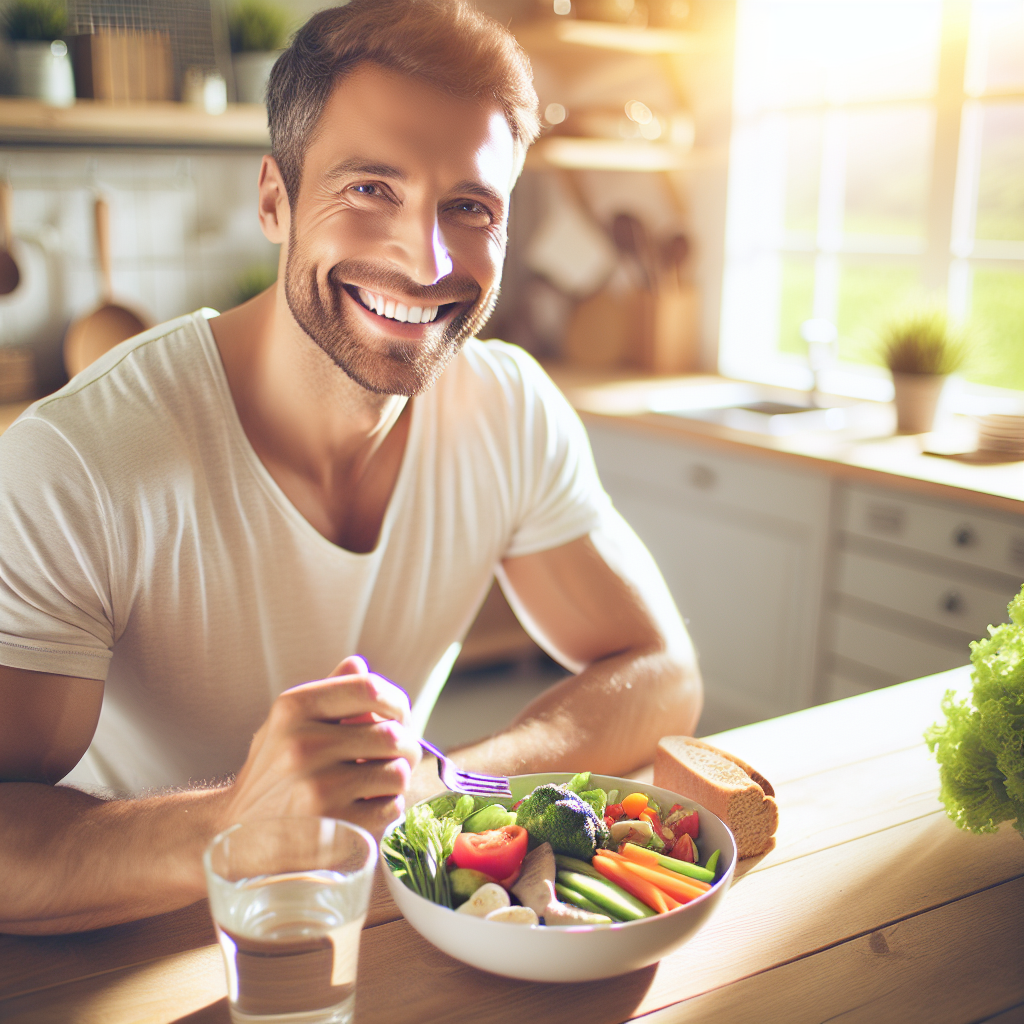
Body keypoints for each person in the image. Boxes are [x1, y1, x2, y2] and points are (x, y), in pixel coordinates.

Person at [0, 0, 701, 935]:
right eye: (370, 189)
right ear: (274, 201)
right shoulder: (77, 461)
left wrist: (447, 783)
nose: (426, 258)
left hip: (377, 925)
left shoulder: (510, 405)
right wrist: (239, 823)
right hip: (126, 946)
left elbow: (661, 670)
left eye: (470, 207)